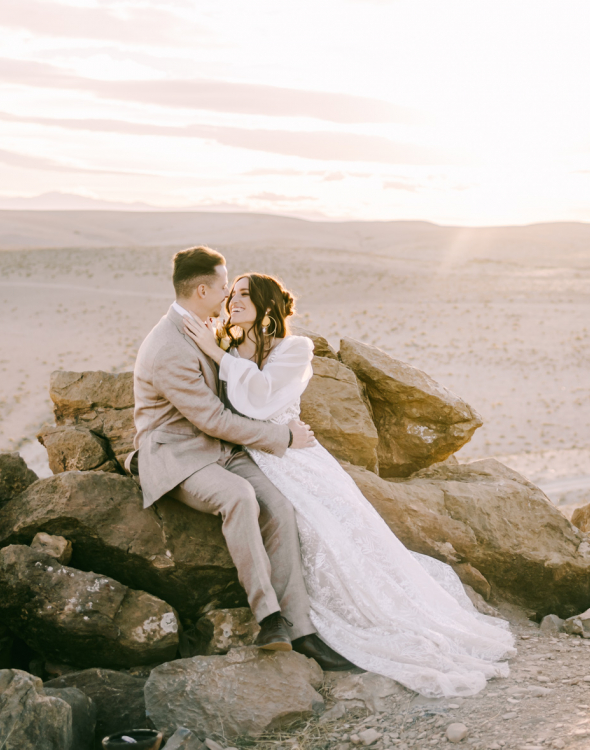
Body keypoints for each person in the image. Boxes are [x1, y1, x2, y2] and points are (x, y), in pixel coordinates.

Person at [180, 270, 516, 697]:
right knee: (291, 526)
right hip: (249, 455)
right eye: (233, 295)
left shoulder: (293, 350)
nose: (234, 302)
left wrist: (215, 351)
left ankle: (354, 622)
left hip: (293, 455)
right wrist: (216, 349)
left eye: (245, 294)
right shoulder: (226, 344)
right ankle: (300, 624)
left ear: (268, 306)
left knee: (333, 532)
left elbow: (261, 398)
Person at [127, 246, 354, 671]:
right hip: (177, 454)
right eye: (223, 286)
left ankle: (301, 629)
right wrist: (281, 436)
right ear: (201, 289)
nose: (229, 293)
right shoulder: (167, 346)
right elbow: (212, 417)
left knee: (281, 505)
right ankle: (269, 619)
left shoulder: (205, 326)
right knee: (239, 499)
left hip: (221, 448)